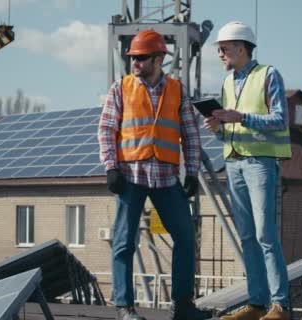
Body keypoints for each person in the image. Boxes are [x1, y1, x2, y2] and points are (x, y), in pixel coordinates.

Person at [99, 29, 210, 320]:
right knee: (124, 242)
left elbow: (190, 132)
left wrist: (192, 171)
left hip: (166, 178)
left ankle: (183, 306)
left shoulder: (177, 90)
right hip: (130, 177)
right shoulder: (120, 88)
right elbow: (107, 130)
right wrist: (111, 167)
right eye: (132, 58)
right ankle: (125, 308)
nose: (135, 62)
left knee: (185, 237)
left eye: (141, 58)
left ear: (159, 58)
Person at [203, 21, 292, 320]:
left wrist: (240, 117)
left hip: (260, 163)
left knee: (266, 234)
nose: (220, 54)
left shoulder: (269, 75)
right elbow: (230, 128)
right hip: (234, 162)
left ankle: (280, 305)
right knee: (247, 237)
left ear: (241, 48)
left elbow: (280, 119)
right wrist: (218, 127)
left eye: (223, 48)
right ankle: (257, 303)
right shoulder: (228, 83)